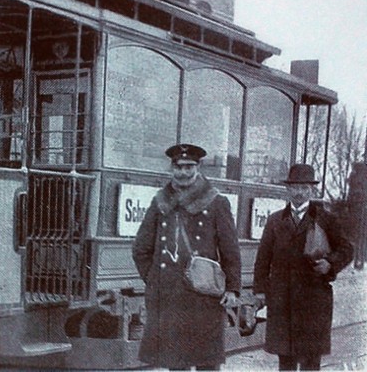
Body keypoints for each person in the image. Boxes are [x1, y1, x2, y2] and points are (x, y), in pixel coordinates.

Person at [132, 143, 241, 370]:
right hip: (170, 298)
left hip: (204, 297)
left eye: (189, 167)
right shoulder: (160, 202)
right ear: (171, 168)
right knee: (175, 363)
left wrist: (232, 289)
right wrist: (155, 279)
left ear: (198, 167)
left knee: (206, 364)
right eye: (178, 167)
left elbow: (230, 250)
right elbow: (141, 248)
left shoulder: (216, 202)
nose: (183, 173)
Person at [253, 164, 353, 371]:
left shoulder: (325, 219)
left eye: (304, 188)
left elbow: (347, 249)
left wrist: (330, 264)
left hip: (314, 302)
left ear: (312, 190)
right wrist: (260, 292)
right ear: (288, 190)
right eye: (295, 187)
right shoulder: (274, 221)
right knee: (285, 360)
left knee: (310, 361)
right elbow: (263, 260)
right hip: (283, 301)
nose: (299, 192)